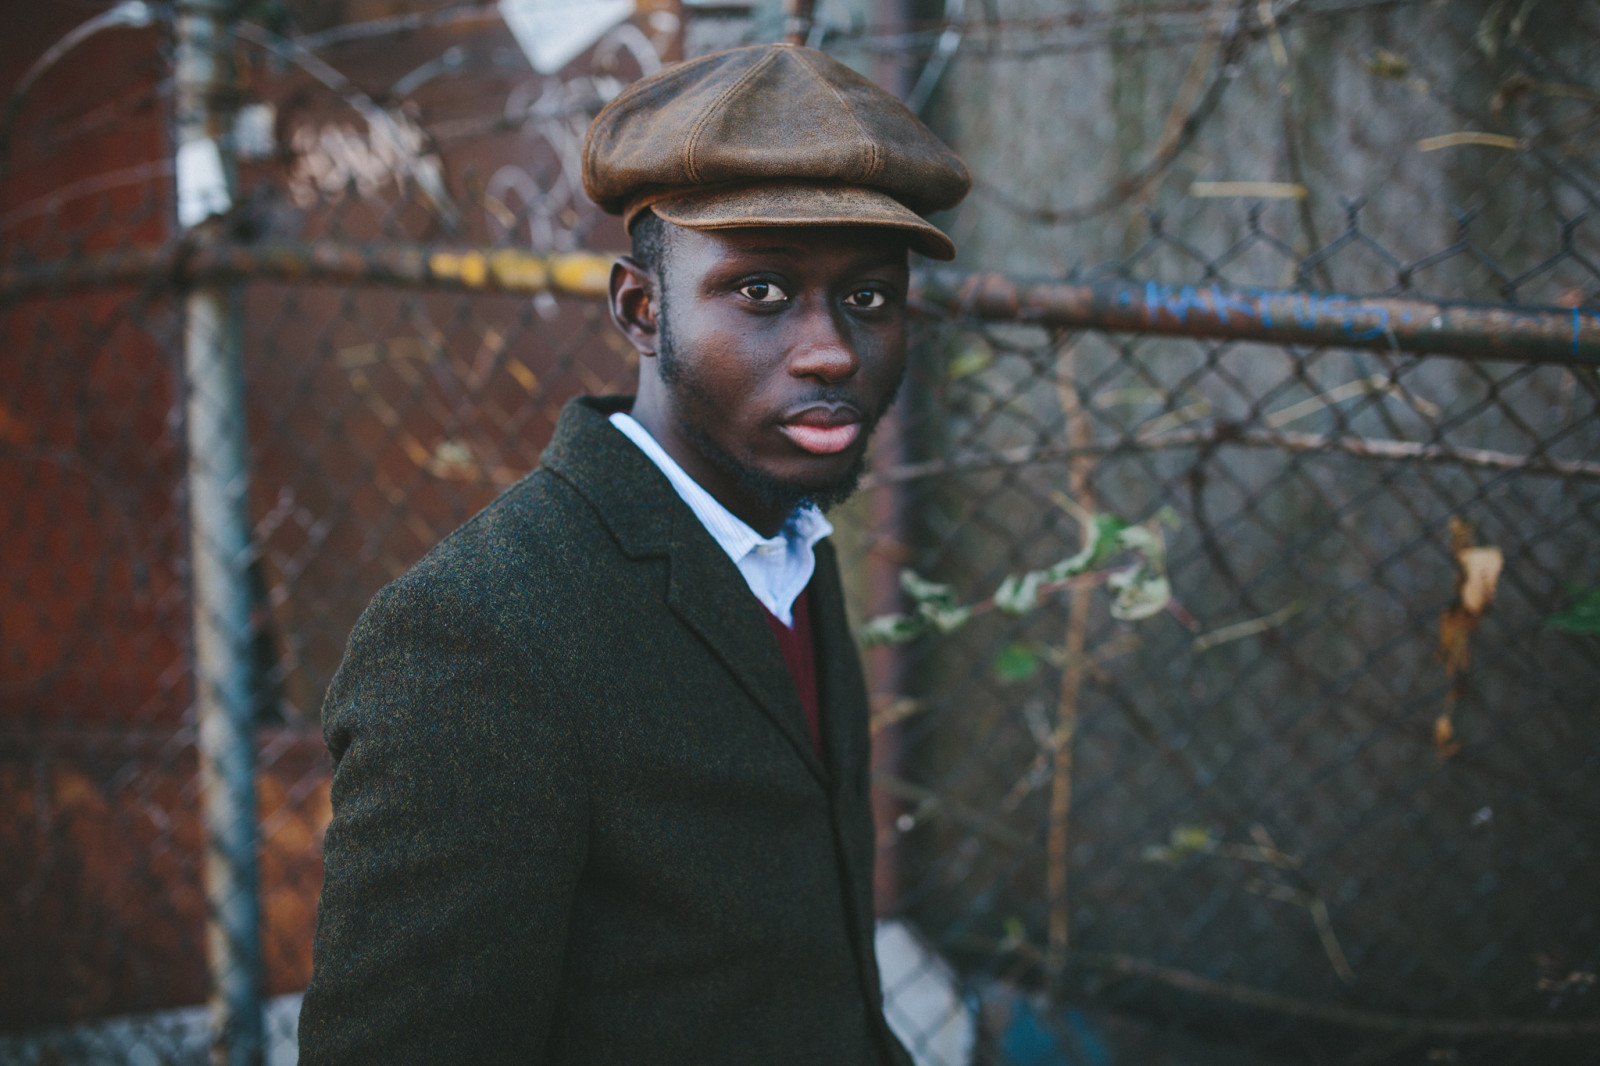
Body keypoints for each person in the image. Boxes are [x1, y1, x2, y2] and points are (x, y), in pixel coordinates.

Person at [298, 42, 969, 1065]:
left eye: (869, 297)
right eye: (761, 291)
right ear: (640, 309)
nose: (832, 347)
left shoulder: (780, 536)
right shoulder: (479, 637)